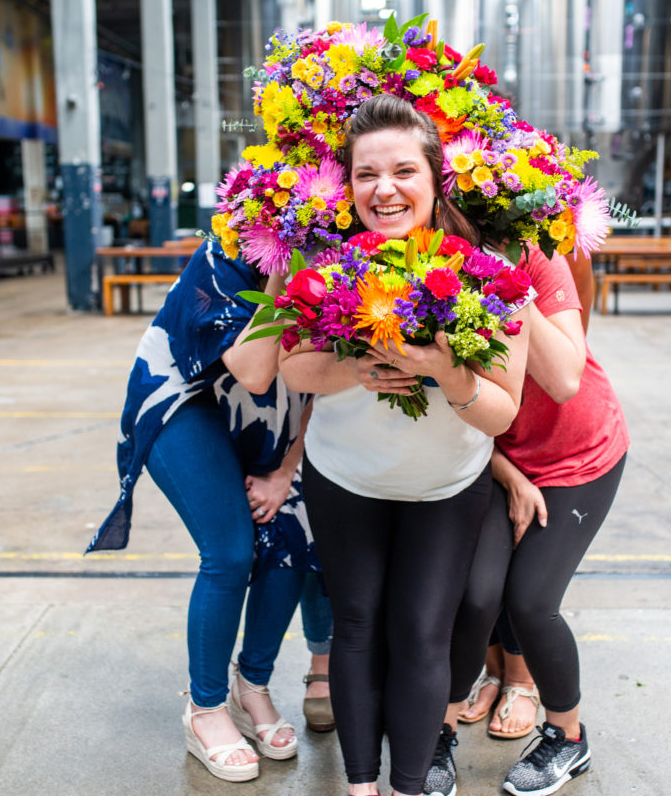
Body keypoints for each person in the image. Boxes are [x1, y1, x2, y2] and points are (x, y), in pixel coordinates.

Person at [279, 93, 531, 796]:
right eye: (364, 174)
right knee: (356, 626)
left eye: (401, 171)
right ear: (348, 185)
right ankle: (362, 787)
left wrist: (444, 369)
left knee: (423, 633)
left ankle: (409, 786)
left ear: (435, 179)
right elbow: (293, 368)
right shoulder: (327, 271)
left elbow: (502, 413)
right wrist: (354, 367)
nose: (383, 189)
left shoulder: (490, 279)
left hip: (443, 486)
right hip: (344, 477)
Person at [88, 239, 333, 783]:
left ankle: (253, 687)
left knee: (294, 526)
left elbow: (323, 385)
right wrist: (284, 265)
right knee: (229, 552)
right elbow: (253, 370)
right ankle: (204, 709)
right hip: (185, 396)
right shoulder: (228, 252)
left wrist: (283, 471)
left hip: (270, 412)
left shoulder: (356, 259)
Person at [423, 246, 629, 796]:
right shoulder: (421, 263)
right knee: (475, 594)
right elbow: (445, 399)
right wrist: (511, 477)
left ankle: (568, 736)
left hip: (578, 456)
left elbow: (564, 379)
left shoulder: (537, 257)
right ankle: (437, 734)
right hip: (495, 457)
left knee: (532, 601)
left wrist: (506, 276)